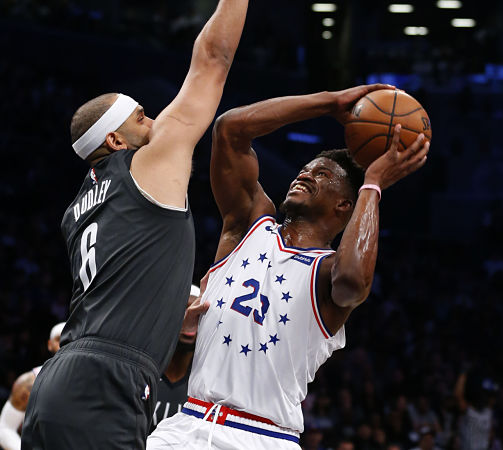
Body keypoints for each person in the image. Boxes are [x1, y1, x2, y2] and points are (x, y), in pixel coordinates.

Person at [21, 1, 250, 448]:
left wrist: (163, 311)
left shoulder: (77, 209)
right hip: (105, 382)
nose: (156, 121)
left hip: (61, 382)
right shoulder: (148, 164)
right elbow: (213, 61)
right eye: (142, 117)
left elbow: (119, 282)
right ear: (115, 140)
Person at [148, 85, 429, 449]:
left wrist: (372, 185)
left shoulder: (328, 272)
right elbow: (230, 130)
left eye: (323, 175)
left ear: (345, 206)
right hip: (185, 424)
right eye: (305, 169)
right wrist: (328, 102)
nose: (306, 175)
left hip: (262, 436)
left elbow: (353, 282)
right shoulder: (248, 224)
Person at [0, 322, 64, 450]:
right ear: (49, 345)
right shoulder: (30, 381)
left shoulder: (97, 377)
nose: (64, 344)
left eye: (70, 339)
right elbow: (4, 428)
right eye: (60, 339)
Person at [152, 285, 206, 429]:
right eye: (182, 310)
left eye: (198, 313)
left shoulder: (207, 385)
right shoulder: (143, 373)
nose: (190, 318)